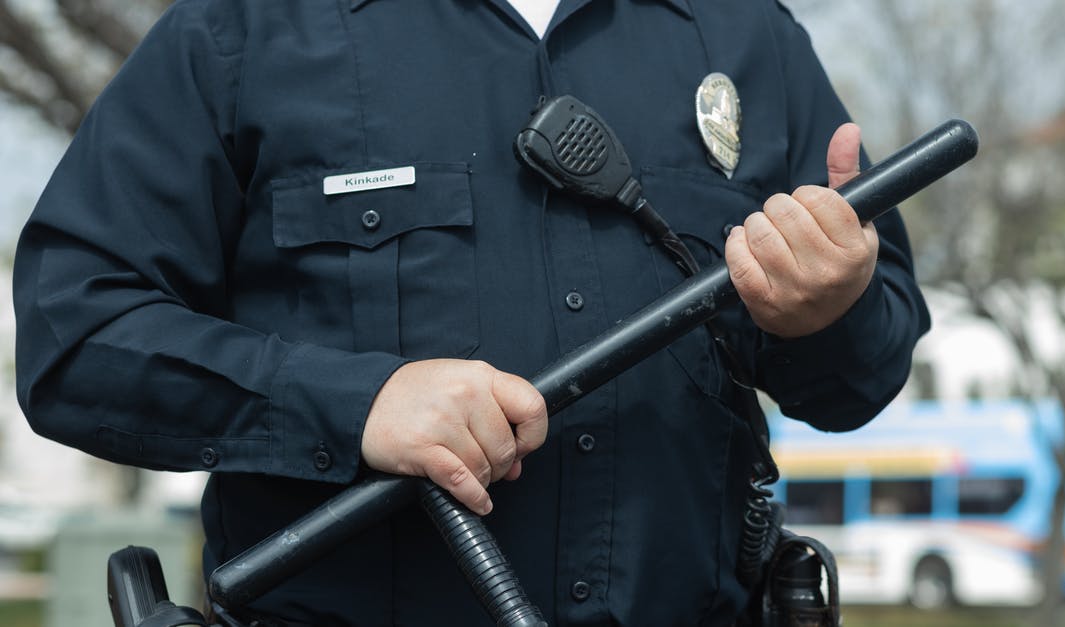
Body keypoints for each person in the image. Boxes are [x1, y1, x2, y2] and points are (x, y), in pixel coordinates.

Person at [13, 1, 930, 625]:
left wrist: (833, 306)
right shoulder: (250, 30)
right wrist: (356, 401)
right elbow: (74, 332)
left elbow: (866, 369)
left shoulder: (743, 34)